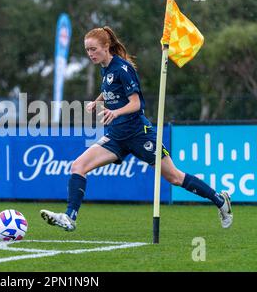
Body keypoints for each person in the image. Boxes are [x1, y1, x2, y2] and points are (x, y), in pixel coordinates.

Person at [40, 26, 233, 231]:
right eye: (87, 50)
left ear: (106, 47)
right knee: (78, 166)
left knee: (174, 177)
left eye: (93, 49)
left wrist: (116, 112)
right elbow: (110, 91)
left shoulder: (123, 69)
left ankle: (220, 200)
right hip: (116, 136)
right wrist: (96, 101)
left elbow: (136, 103)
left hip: (139, 134)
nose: (90, 54)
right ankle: (70, 218)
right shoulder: (104, 68)